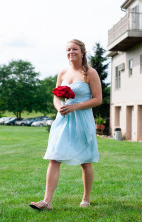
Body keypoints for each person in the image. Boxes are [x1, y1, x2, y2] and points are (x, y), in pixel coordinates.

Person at [30, 39, 102, 210]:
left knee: (85, 161)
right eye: (68, 49)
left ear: (82, 52)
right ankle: (46, 202)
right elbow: (56, 95)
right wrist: (60, 107)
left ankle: (86, 198)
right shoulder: (62, 72)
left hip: (82, 120)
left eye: (75, 49)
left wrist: (75, 106)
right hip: (63, 120)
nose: (71, 52)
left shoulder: (90, 73)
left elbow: (98, 99)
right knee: (54, 158)